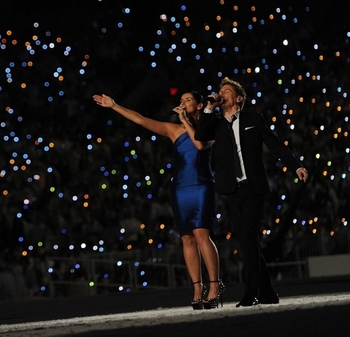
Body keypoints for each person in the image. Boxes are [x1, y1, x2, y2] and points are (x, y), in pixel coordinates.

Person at [93, 91, 222, 310]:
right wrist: (115, 106)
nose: (182, 103)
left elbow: (200, 144)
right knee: (187, 238)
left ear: (200, 105)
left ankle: (215, 285)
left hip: (201, 185)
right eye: (180, 101)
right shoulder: (173, 130)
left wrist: (184, 121)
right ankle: (197, 287)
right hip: (180, 187)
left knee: (202, 235)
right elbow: (141, 119)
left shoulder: (211, 126)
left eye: (188, 99)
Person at [195, 77, 309, 308]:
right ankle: (268, 293)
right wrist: (208, 107)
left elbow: (275, 145)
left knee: (248, 240)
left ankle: (250, 293)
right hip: (232, 189)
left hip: (254, 187)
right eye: (220, 91)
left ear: (238, 98)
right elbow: (200, 136)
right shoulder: (216, 123)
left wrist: (296, 165)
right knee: (248, 242)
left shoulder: (253, 119)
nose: (222, 94)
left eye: (226, 91)